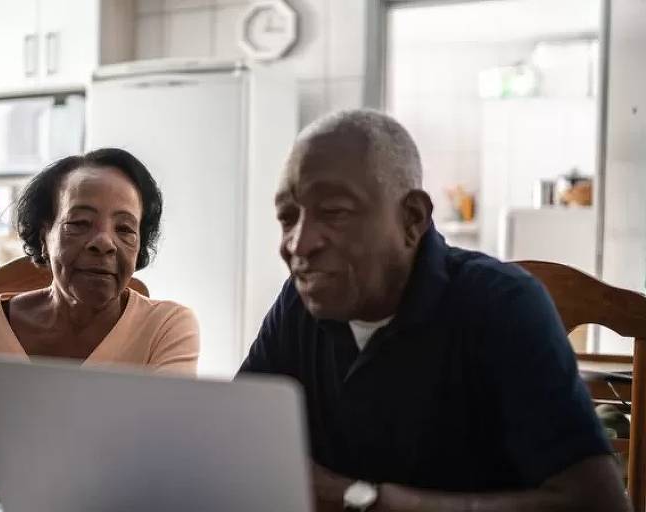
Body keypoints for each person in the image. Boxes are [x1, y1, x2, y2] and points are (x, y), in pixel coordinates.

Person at [239, 109, 631, 511]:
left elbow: (597, 503)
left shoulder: (502, 306)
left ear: (412, 219)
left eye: (335, 212)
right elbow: (235, 437)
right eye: (288, 218)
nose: (299, 244)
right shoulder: (299, 304)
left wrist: (364, 500)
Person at [0, 148, 200, 512]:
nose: (104, 242)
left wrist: (0, 481)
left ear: (139, 248)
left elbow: (155, 469)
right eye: (79, 223)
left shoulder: (167, 328)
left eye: (125, 228)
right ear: (43, 234)